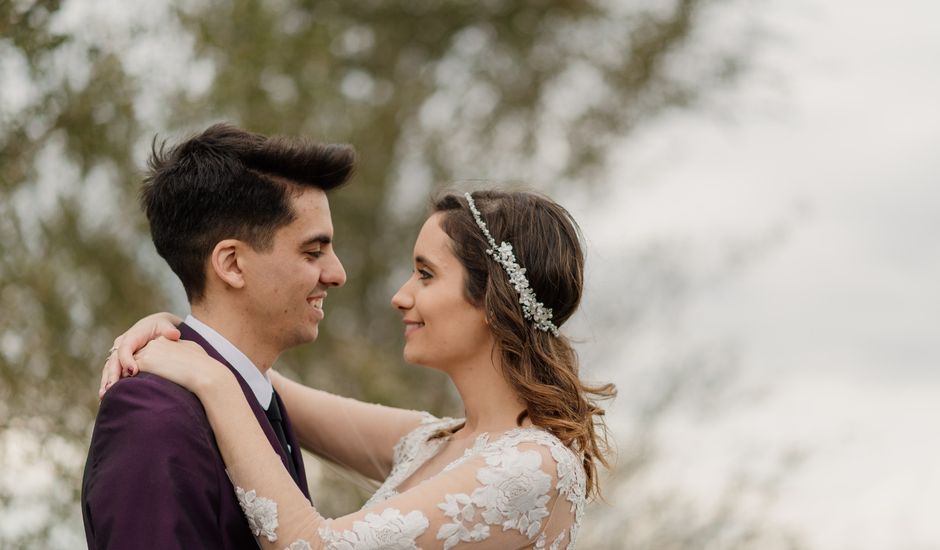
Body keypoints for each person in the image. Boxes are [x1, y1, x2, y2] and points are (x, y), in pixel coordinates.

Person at [105, 189, 615, 549]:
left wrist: (209, 379)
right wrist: (180, 327)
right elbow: (259, 380)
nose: (401, 296)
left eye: (425, 274)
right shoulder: (430, 443)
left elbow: (312, 546)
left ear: (492, 299)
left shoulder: (531, 469)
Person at [82, 123, 356, 549]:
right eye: (313, 251)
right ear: (231, 263)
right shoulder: (153, 415)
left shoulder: (258, 395)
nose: (336, 274)